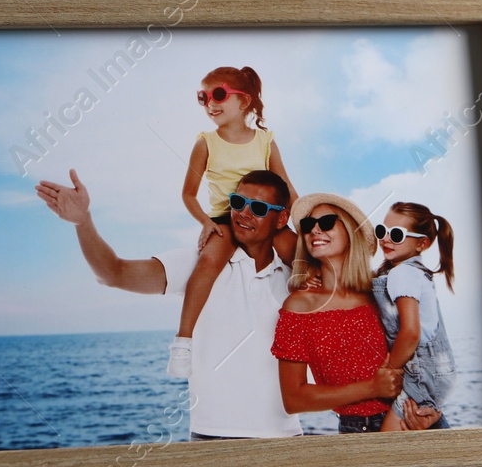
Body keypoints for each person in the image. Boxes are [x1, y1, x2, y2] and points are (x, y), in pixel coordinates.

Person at [34, 168, 303, 440]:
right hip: (213, 439)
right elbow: (114, 273)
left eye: (257, 207)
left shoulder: (298, 280)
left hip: (287, 439)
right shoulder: (197, 265)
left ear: (281, 218)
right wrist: (83, 222)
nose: (244, 213)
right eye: (238, 203)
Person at [271, 193, 439, 433]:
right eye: (308, 225)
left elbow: (430, 350)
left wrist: (432, 411)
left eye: (327, 222)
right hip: (357, 431)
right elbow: (294, 399)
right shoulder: (299, 306)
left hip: (413, 421)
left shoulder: (383, 290)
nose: (315, 230)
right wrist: (371, 387)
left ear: (350, 232)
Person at [169, 66, 298, 378]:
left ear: (244, 101)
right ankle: (183, 342)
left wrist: (304, 224)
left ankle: (313, 325)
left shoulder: (265, 142)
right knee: (208, 262)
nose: (210, 103)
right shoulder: (206, 143)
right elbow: (188, 194)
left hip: (264, 217)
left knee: (299, 252)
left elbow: (287, 187)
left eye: (218, 94)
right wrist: (205, 222)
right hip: (226, 219)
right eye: (203, 97)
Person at [370, 202, 456, 432]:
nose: (386, 239)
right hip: (436, 370)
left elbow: (410, 333)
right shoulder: (411, 271)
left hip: (422, 370)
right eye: (382, 231)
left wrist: (389, 371)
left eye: (396, 235)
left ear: (422, 244)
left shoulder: (402, 273)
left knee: (386, 443)